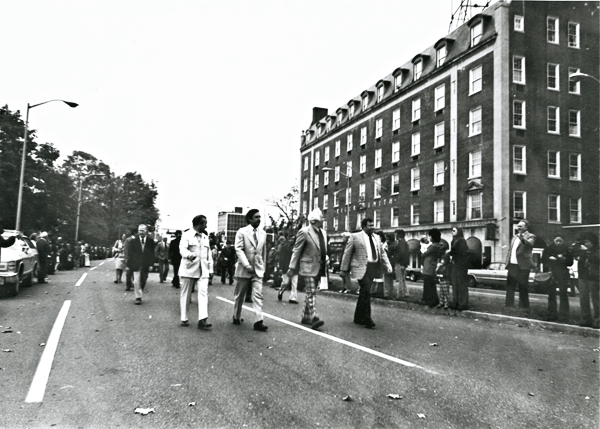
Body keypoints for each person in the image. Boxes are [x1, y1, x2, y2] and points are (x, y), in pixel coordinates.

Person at [340, 217, 392, 329]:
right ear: (364, 226)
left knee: (364, 292)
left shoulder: (377, 238)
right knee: (366, 290)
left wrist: (388, 265)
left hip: (373, 268)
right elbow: (347, 253)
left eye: (373, 225)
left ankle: (358, 317)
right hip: (361, 267)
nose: (372, 227)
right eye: (370, 225)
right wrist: (344, 269)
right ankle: (368, 319)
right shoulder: (355, 237)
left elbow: (382, 253)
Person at [287, 208, 327, 330]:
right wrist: (291, 267)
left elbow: (323, 249)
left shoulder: (323, 233)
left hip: (319, 266)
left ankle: (305, 316)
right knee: (311, 291)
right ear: (314, 221)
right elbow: (296, 250)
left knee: (311, 291)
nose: (323, 221)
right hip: (308, 266)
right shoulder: (304, 232)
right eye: (321, 219)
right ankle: (314, 317)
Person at [232, 209, 268, 332]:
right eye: (256, 217)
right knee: (240, 294)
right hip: (244, 268)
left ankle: (259, 320)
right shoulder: (242, 232)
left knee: (258, 295)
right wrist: (246, 265)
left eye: (260, 217)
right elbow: (239, 249)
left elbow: (263, 252)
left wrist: (264, 268)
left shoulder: (263, 233)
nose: (259, 219)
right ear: (249, 219)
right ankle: (236, 316)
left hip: (257, 269)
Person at [179, 215, 213, 329]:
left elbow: (209, 254)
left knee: (203, 293)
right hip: (189, 268)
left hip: (203, 270)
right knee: (186, 294)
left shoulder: (205, 237)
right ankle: (184, 317)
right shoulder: (187, 235)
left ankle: (202, 320)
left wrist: (211, 269)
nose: (206, 226)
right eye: (205, 223)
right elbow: (182, 249)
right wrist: (190, 255)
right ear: (199, 224)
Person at [505, 219, 536, 309]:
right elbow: (510, 250)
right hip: (512, 265)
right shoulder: (514, 237)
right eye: (518, 226)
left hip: (523, 266)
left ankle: (523, 306)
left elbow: (530, 244)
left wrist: (522, 239)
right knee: (510, 285)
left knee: (523, 286)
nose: (518, 227)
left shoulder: (531, 236)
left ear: (526, 227)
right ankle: (509, 304)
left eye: (520, 226)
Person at [542, 235, 574, 322]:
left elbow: (570, 262)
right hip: (552, 272)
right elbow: (543, 259)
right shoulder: (549, 248)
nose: (558, 243)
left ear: (563, 241)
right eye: (557, 241)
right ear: (554, 240)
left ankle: (564, 315)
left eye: (560, 241)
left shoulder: (567, 249)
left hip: (562, 273)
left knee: (563, 294)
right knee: (551, 294)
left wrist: (563, 259)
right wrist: (549, 258)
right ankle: (551, 314)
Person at [573, 233, 599, 328]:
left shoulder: (597, 250)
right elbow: (574, 254)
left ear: (593, 242)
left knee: (596, 300)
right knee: (583, 299)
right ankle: (585, 320)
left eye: (588, 242)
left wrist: (587, 251)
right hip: (583, 276)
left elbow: (597, 259)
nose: (586, 244)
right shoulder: (582, 251)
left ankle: (598, 321)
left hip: (594, 277)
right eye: (584, 242)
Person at [126, 224, 156, 305]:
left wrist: (151, 265)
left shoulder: (150, 242)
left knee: (143, 280)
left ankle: (140, 291)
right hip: (136, 264)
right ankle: (138, 297)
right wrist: (128, 265)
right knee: (136, 281)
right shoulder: (133, 241)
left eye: (142, 230)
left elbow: (152, 254)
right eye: (139, 230)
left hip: (146, 264)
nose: (141, 232)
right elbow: (130, 254)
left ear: (146, 231)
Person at [421, 228, 445, 308]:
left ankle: (430, 301)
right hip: (430, 266)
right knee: (430, 284)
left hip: (429, 266)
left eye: (430, 236)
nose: (429, 237)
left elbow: (425, 254)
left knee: (429, 284)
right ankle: (429, 300)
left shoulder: (434, 246)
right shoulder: (437, 245)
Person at [448, 227, 470, 311]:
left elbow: (458, 252)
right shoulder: (454, 240)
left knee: (461, 284)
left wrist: (449, 252)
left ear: (458, 232)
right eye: (452, 230)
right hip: (455, 264)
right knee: (455, 283)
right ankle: (456, 302)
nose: (452, 232)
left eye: (454, 230)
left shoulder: (461, 241)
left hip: (461, 265)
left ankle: (463, 304)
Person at [277, 235, 298, 303]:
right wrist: (281, 267)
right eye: (290, 239)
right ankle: (281, 290)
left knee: (294, 283)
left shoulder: (297, 248)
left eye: (293, 239)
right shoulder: (285, 248)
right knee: (285, 282)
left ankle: (293, 298)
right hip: (286, 267)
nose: (292, 240)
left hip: (295, 268)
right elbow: (281, 258)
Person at [391, 229, 410, 298]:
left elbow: (400, 252)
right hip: (404, 263)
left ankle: (399, 294)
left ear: (398, 235)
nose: (395, 236)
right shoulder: (405, 242)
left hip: (399, 263)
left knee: (398, 279)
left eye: (395, 234)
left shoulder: (400, 242)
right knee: (403, 279)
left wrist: (395, 259)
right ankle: (406, 293)